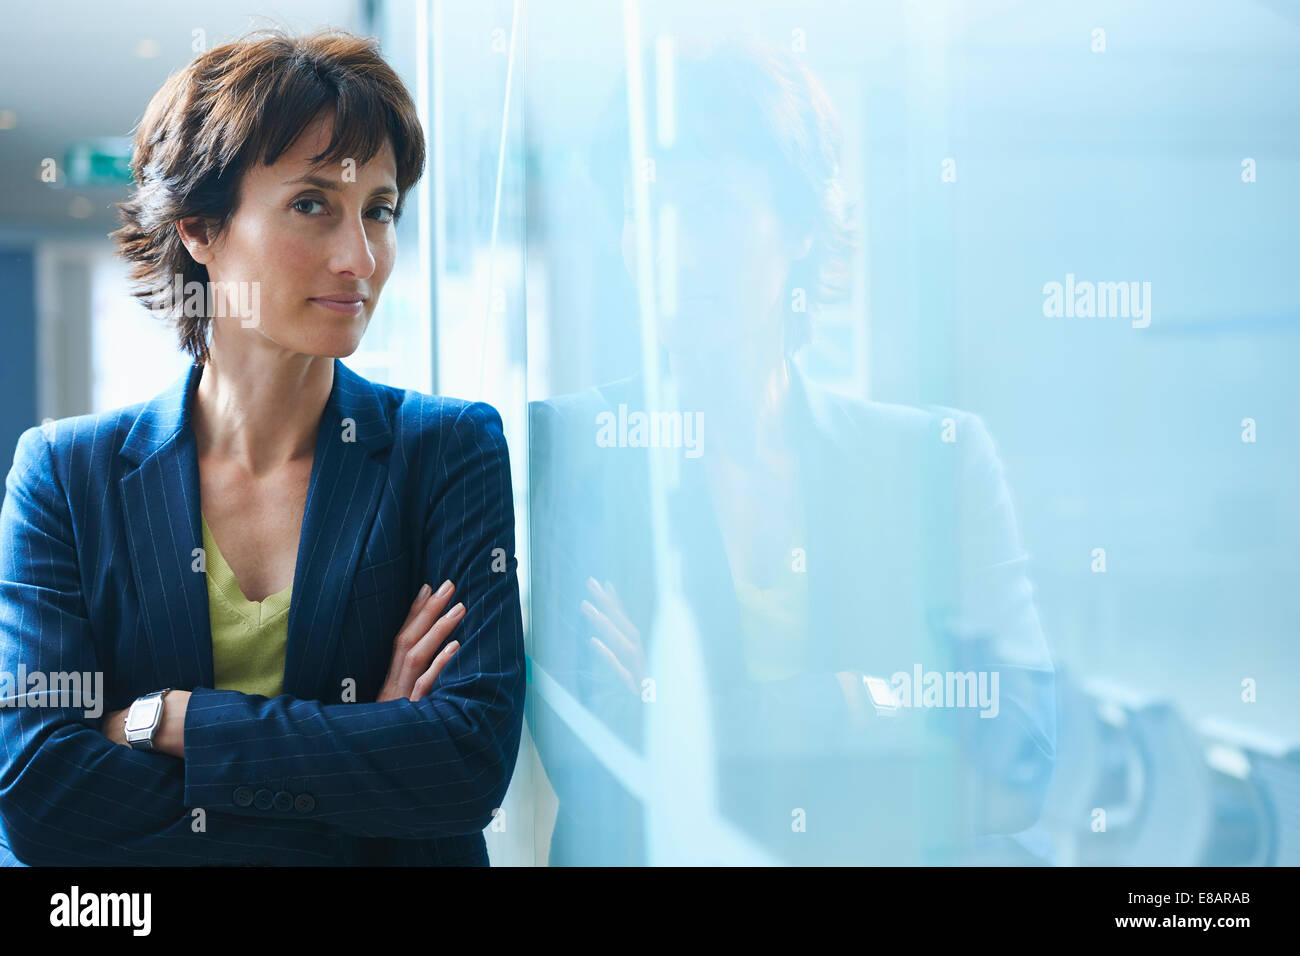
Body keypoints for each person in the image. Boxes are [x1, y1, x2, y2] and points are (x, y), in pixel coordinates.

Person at [0, 28, 525, 866]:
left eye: (379, 211)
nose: (361, 258)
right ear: (202, 228)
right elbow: (37, 794)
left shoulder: (448, 450)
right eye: (312, 204)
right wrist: (364, 748)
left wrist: (168, 720)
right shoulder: (66, 477)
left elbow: (464, 766)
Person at [527, 38, 1057, 865]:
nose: (678, 249)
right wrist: (871, 698)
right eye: (648, 207)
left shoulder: (938, 460)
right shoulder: (578, 447)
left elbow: (1020, 755)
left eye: (712, 206)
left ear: (803, 225)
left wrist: (704, 724)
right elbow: (599, 765)